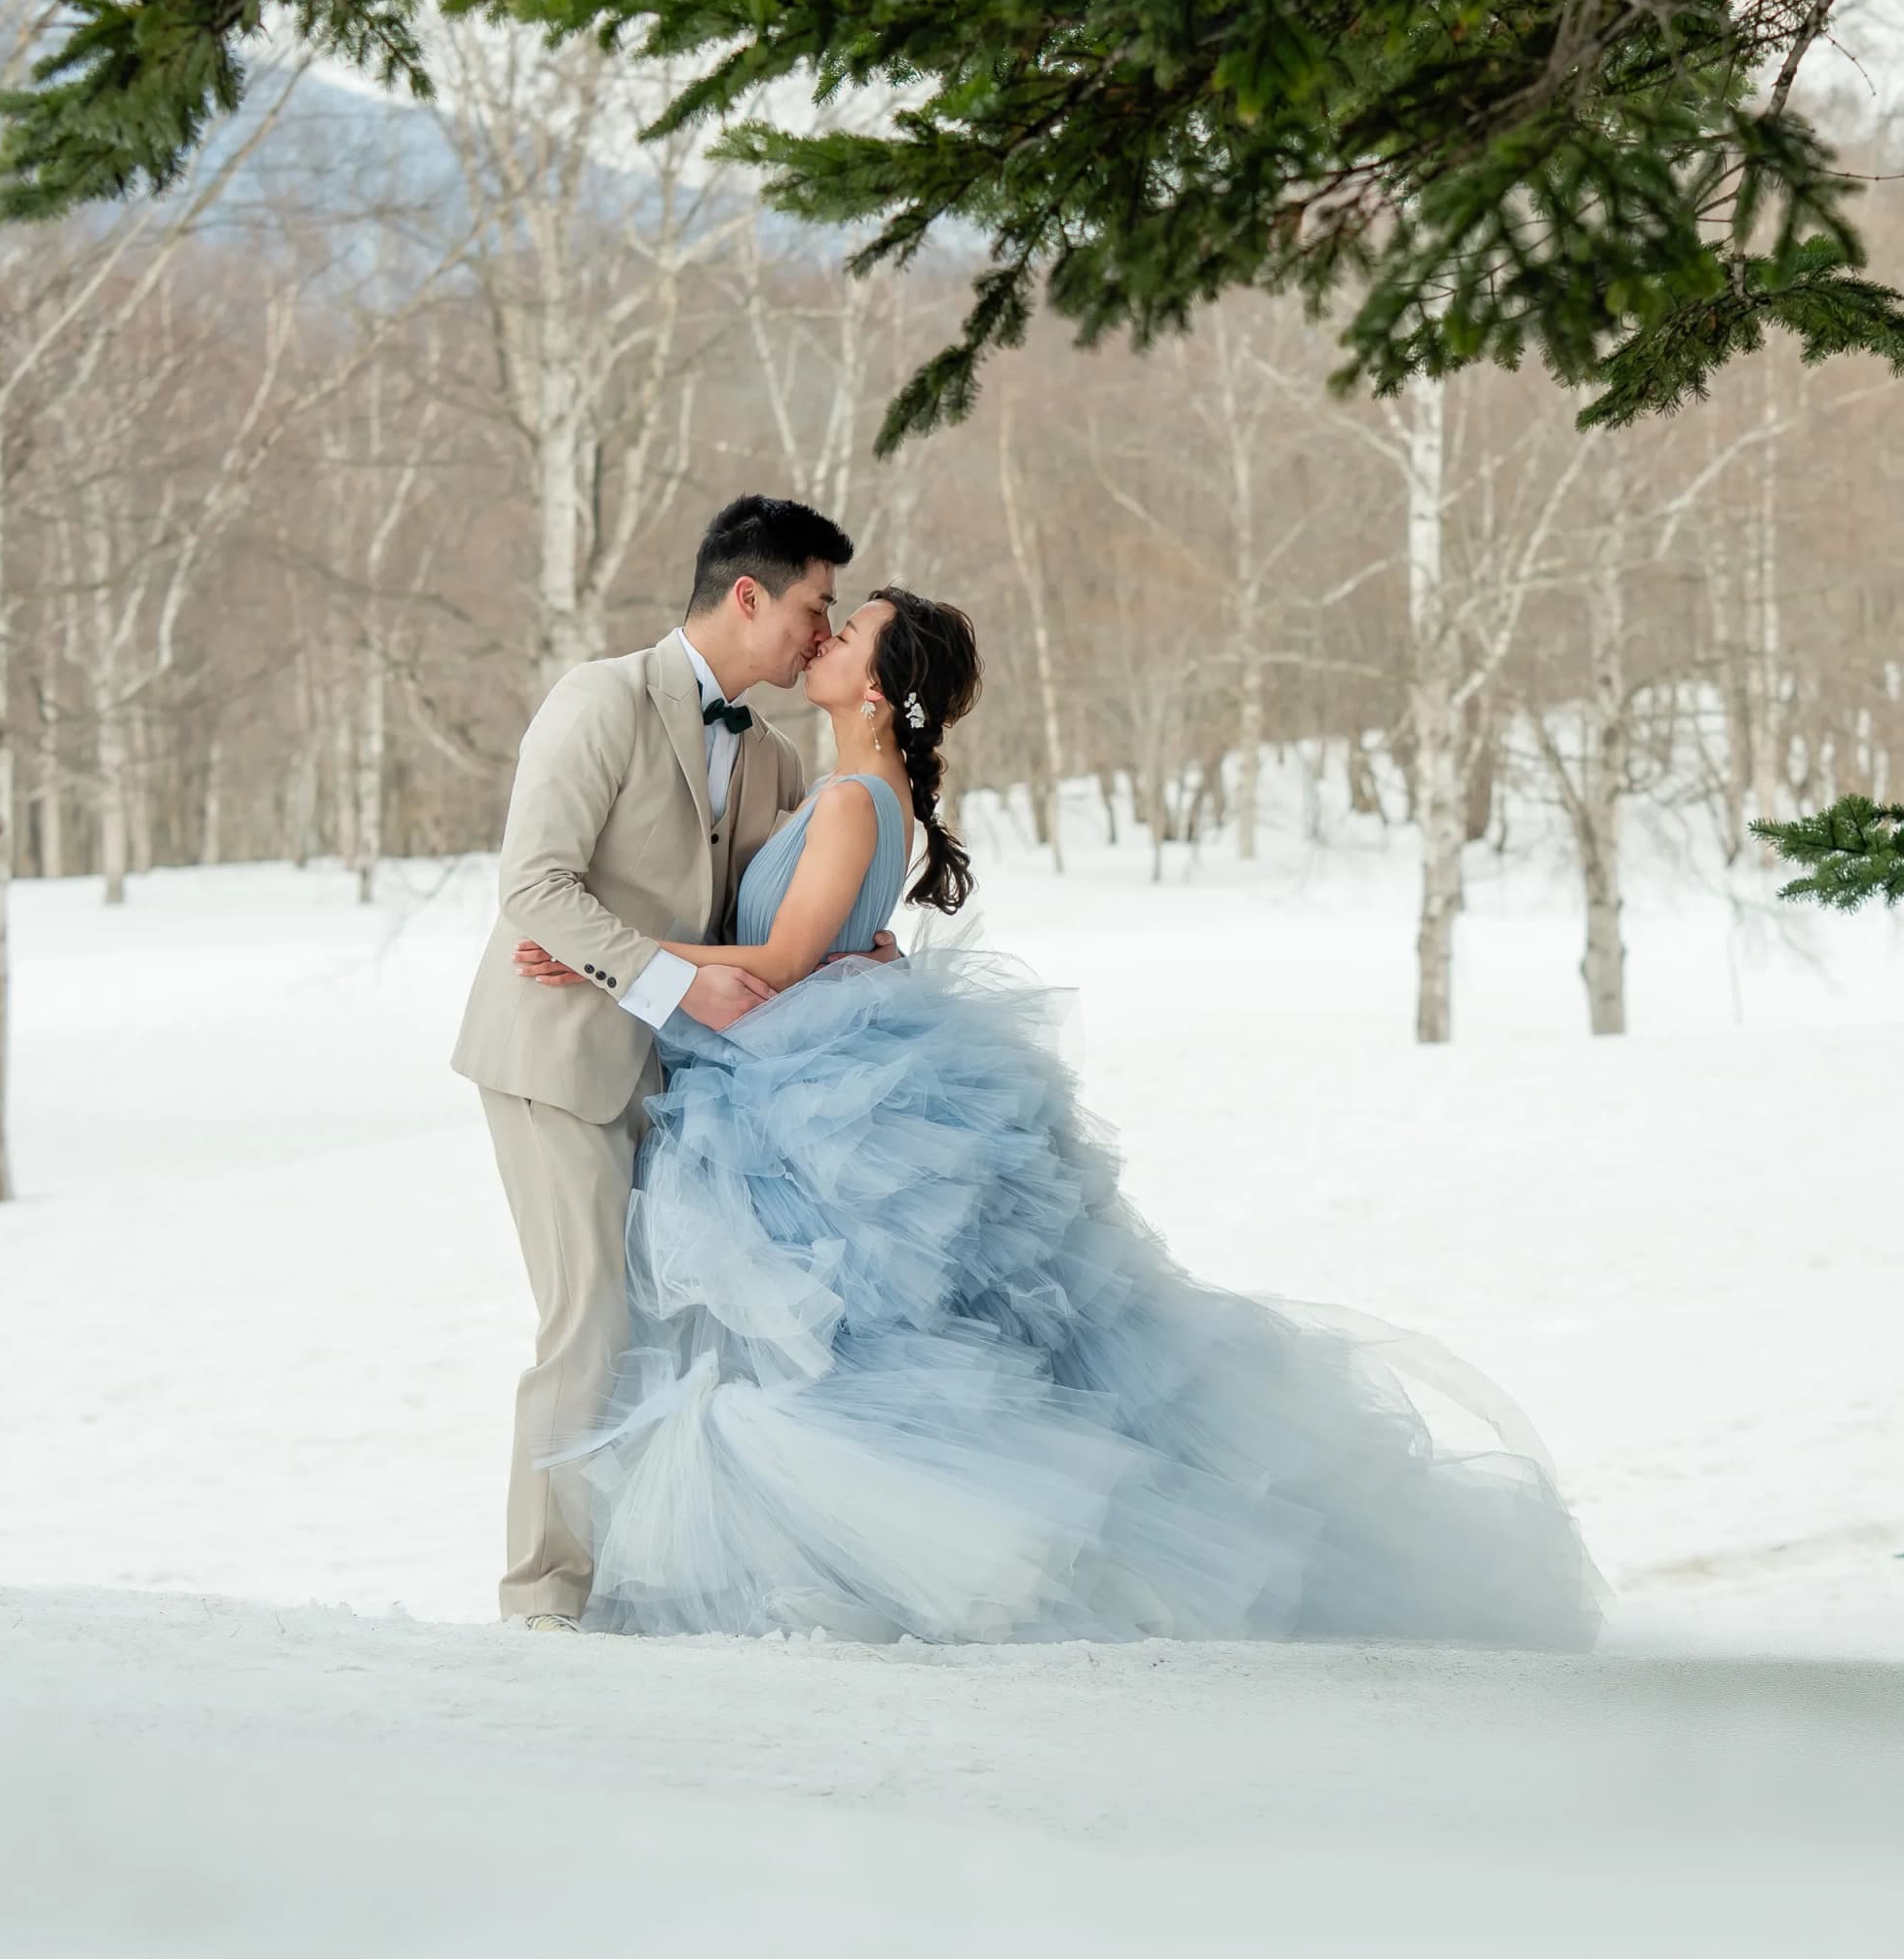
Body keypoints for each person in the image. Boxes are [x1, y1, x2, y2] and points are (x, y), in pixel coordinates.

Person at [535, 584, 1603, 1648]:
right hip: (807, 1068)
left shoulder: (857, 798)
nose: (824, 638)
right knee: (841, 1339)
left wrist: (611, 955)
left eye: (846, 633)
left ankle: (901, 1560)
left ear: (877, 688)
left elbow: (777, 962)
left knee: (828, 1342)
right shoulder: (859, 791)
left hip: (805, 1086)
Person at [451, 496, 875, 1629]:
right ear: (748, 595)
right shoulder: (599, 699)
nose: (820, 633)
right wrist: (662, 977)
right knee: (588, 1320)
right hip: (555, 1056)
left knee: (662, 1330)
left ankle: (633, 1587)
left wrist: (853, 949)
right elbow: (533, 886)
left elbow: (762, 923)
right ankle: (543, 1601)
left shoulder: (776, 757)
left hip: (687, 1088)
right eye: (814, 606)